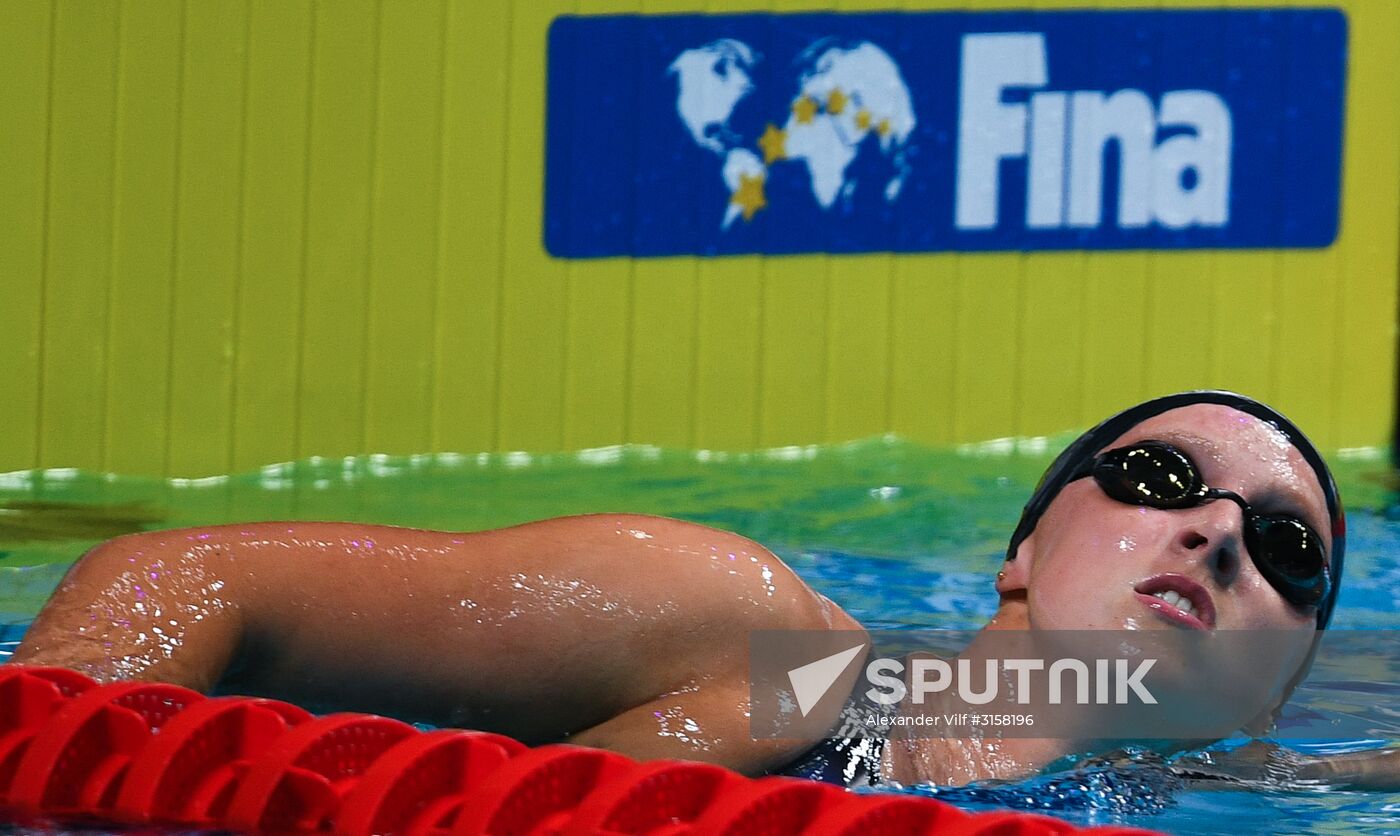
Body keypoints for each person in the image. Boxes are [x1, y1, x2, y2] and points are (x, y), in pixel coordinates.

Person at [7, 391, 1389, 788]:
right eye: (1160, 481)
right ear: (1020, 553)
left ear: (1279, 676)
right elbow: (179, 577)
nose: (1217, 533)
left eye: (1288, 550)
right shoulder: (787, 664)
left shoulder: (1227, 791)